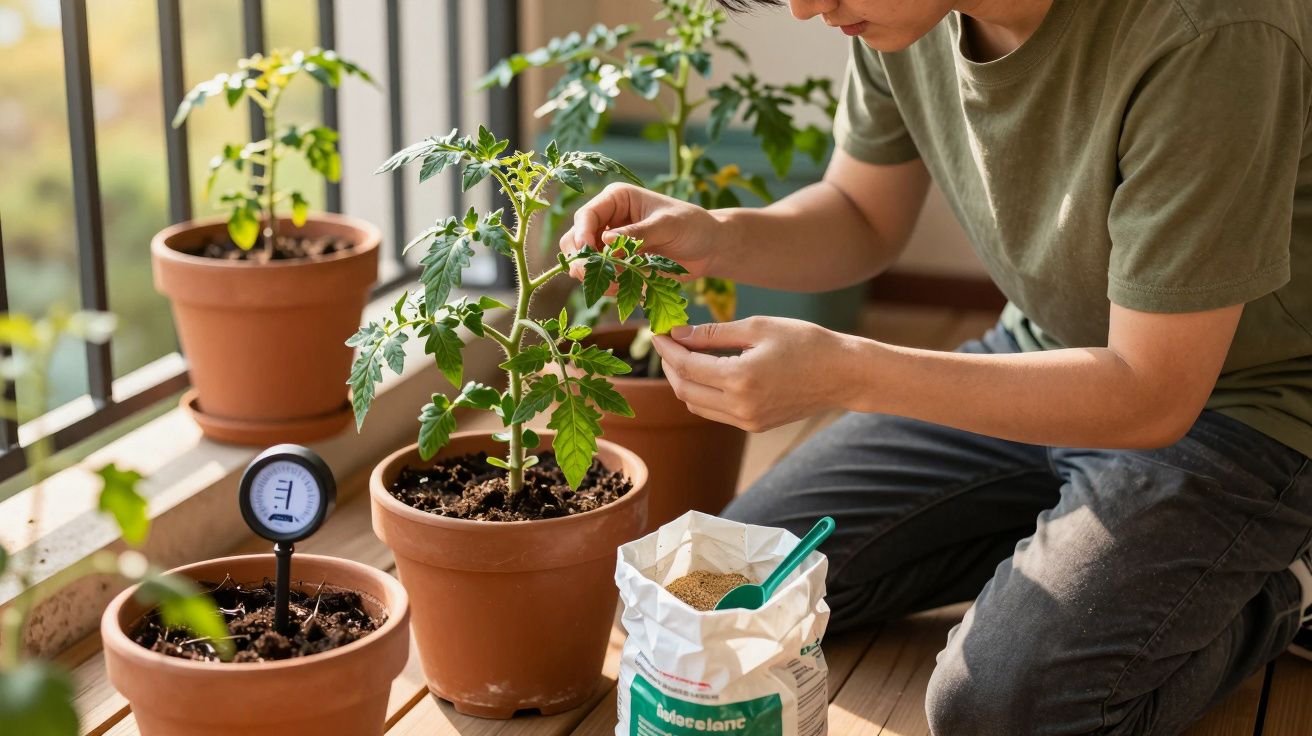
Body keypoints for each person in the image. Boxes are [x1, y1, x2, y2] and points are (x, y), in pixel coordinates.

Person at [559, 0, 1312, 733]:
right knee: (731, 597)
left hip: (1244, 409)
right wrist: (711, 234)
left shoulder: (1209, 28)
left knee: (997, 710)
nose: (803, 8)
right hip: (1041, 354)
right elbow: (861, 213)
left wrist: (847, 370)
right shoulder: (904, 15)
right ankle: (1078, 535)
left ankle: (1284, 579)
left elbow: (1151, 395)